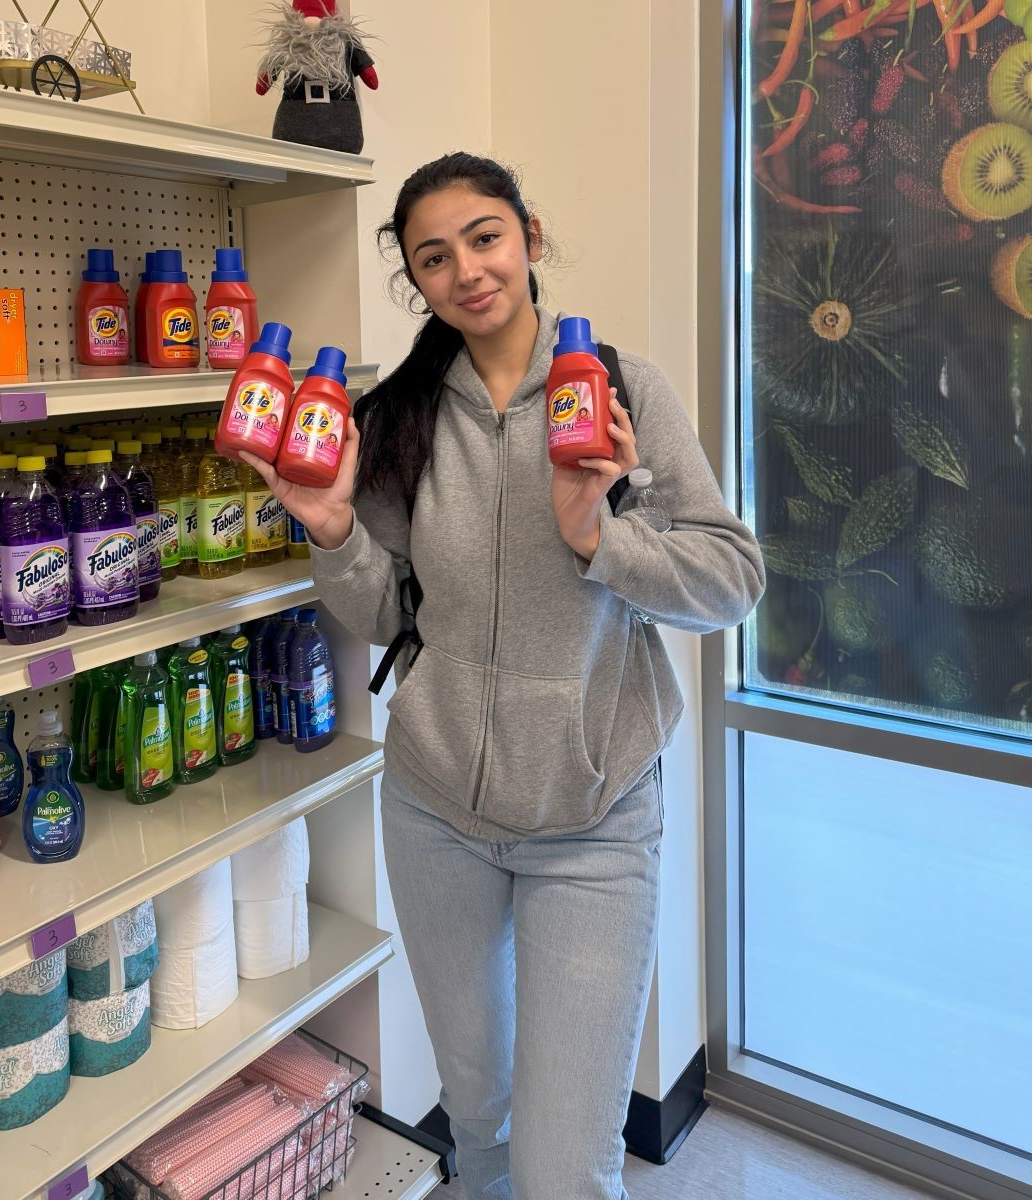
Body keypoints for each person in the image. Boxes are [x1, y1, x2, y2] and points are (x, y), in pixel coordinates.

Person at [235, 152, 765, 1200]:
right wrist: (334, 529)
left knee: (566, 1170)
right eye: (435, 258)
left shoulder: (619, 392)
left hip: (596, 817)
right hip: (435, 813)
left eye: (484, 238)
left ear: (528, 235)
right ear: (414, 278)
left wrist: (597, 537)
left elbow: (730, 579)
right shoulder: (396, 417)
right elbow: (388, 609)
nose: (467, 272)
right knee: (479, 1128)